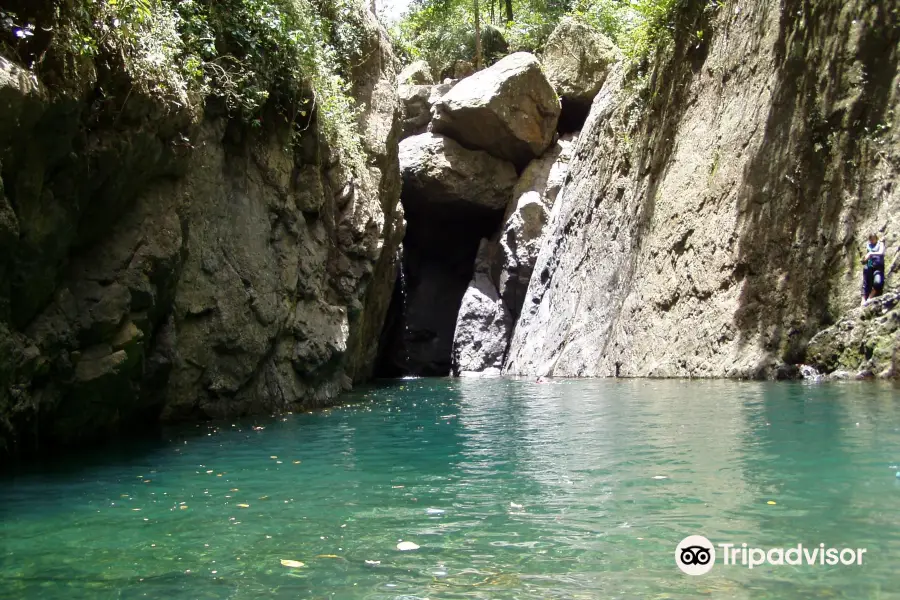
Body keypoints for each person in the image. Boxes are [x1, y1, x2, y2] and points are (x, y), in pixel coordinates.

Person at [862, 233, 885, 304]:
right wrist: (864, 260)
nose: (871, 241)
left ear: (876, 238)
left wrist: (871, 253)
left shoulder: (880, 244)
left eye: (873, 239)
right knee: (866, 277)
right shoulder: (868, 245)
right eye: (870, 240)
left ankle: (870, 297)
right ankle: (863, 299)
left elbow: (881, 252)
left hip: (878, 266)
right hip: (870, 264)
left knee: (878, 282)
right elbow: (867, 256)